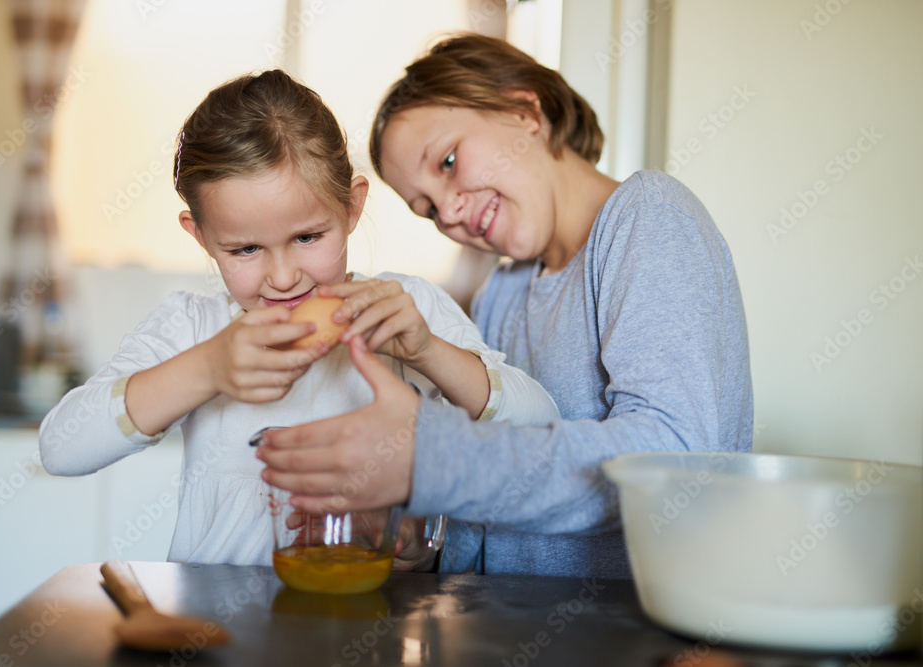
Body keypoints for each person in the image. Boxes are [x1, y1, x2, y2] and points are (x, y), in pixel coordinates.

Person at [256, 35, 754, 578]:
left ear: (524, 111)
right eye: (426, 209)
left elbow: (671, 458)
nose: (448, 212)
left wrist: (433, 461)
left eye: (447, 162)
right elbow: (495, 504)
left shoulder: (649, 219)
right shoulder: (504, 291)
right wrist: (417, 532)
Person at [38, 69, 559, 567]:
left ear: (351, 208)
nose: (283, 277)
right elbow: (61, 447)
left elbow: (542, 424)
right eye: (245, 249)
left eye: (307, 238)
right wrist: (206, 369)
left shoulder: (405, 309)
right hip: (218, 637)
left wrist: (429, 351)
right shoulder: (193, 328)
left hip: (370, 624)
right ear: (200, 237)